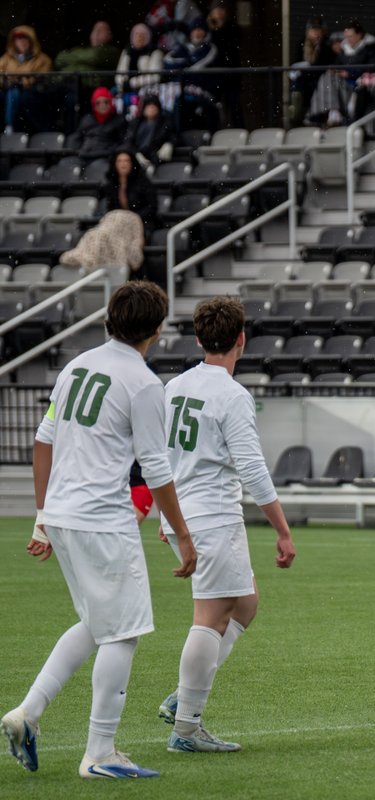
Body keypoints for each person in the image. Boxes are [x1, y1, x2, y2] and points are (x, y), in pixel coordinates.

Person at [1, 281, 197, 780]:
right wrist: (183, 533)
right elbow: (156, 466)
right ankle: (100, 752)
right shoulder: (144, 382)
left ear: (110, 319)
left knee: (98, 623)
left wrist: (43, 515)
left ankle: (28, 713)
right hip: (101, 519)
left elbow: (42, 442)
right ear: (156, 329)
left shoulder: (75, 367)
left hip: (64, 515)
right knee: (125, 632)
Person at [155, 295, 296, 753]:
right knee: (211, 616)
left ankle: (184, 698)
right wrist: (282, 529)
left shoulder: (175, 387)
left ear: (198, 339)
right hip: (212, 518)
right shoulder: (232, 395)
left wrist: (167, 517)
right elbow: (253, 470)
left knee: (247, 602)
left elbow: (162, 458)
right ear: (241, 340)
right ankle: (187, 727)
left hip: (187, 516)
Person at [305, 20, 375, 128]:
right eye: (346, 36)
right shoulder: (344, 50)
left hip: (358, 85)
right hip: (342, 85)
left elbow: (370, 69)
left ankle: (327, 112)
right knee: (328, 76)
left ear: (359, 35)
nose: (348, 39)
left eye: (351, 36)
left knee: (328, 79)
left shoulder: (369, 49)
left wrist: (349, 74)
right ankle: (333, 111)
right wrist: (336, 71)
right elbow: (336, 65)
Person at [54, 20, 121, 130]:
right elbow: (59, 59)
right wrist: (84, 58)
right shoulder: (83, 50)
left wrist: (74, 57)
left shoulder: (111, 51)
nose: (96, 33)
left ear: (109, 35)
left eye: (101, 30)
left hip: (92, 89)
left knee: (73, 102)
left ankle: (74, 132)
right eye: (95, 30)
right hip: (70, 86)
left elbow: (96, 56)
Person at [163, 19, 219, 131]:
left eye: (200, 30)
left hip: (203, 89)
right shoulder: (183, 48)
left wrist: (184, 68)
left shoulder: (210, 48)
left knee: (180, 100)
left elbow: (199, 68)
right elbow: (168, 62)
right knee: (165, 96)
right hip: (181, 87)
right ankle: (169, 133)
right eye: (194, 30)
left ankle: (176, 134)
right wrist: (186, 64)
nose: (197, 33)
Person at [60, 209, 147, 280]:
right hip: (113, 280)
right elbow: (136, 261)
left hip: (90, 280)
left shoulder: (91, 234)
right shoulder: (134, 221)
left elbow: (68, 258)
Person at [1, 26, 53, 135]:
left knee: (17, 95)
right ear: (13, 42)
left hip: (30, 93)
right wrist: (7, 82)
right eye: (18, 39)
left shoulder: (42, 59)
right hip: (8, 91)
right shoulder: (6, 58)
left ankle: (10, 127)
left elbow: (41, 77)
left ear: (31, 41)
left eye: (24, 39)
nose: (21, 42)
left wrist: (20, 81)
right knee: (12, 93)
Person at [206, 2, 243, 128]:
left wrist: (219, 29)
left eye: (222, 9)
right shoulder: (207, 29)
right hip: (213, 75)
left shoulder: (232, 27)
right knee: (214, 106)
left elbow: (230, 47)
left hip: (231, 73)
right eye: (216, 10)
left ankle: (239, 130)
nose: (219, 13)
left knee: (234, 105)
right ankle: (214, 131)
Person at [115, 24, 166, 116]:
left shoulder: (154, 52)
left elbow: (155, 76)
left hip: (147, 89)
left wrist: (132, 83)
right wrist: (122, 83)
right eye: (136, 34)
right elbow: (119, 72)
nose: (139, 38)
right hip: (126, 89)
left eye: (142, 35)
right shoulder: (127, 51)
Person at [67, 88, 127, 164]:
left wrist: (109, 152)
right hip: (83, 156)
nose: (102, 105)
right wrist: (74, 150)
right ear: (94, 104)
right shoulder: (87, 119)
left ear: (111, 102)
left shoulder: (118, 120)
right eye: (98, 103)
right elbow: (76, 137)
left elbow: (122, 143)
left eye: (106, 102)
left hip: (104, 157)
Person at [102, 149, 157, 233]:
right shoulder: (112, 184)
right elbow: (111, 208)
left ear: (132, 163)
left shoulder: (143, 182)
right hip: (119, 224)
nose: (123, 164)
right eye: (119, 161)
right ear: (115, 164)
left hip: (141, 223)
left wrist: (133, 218)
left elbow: (152, 207)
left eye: (126, 161)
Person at [123, 95, 175, 167]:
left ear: (158, 108)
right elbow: (128, 141)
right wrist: (135, 153)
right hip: (136, 160)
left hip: (156, 159)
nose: (151, 108)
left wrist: (169, 144)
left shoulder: (165, 123)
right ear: (143, 108)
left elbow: (174, 136)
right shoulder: (135, 123)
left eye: (154, 105)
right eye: (148, 105)